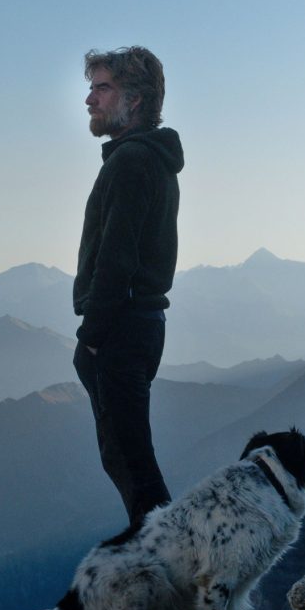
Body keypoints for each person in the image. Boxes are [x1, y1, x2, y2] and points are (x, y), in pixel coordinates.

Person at [72, 46, 184, 532]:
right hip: (139, 325)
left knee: (134, 466)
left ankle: (168, 558)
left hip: (121, 328)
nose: (89, 100)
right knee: (128, 458)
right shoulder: (150, 159)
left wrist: (93, 336)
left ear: (134, 99)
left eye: (102, 88)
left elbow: (117, 257)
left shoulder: (132, 161)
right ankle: (161, 551)